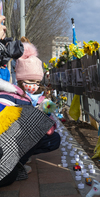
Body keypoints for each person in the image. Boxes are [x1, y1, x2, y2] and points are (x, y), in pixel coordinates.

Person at [0, 42, 60, 175]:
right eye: (30, 81)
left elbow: (49, 131)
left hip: (24, 139)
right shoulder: (10, 95)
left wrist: (47, 117)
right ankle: (15, 163)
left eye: (37, 82)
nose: (34, 86)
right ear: (20, 80)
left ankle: (22, 159)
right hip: (9, 141)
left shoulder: (40, 99)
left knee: (54, 139)